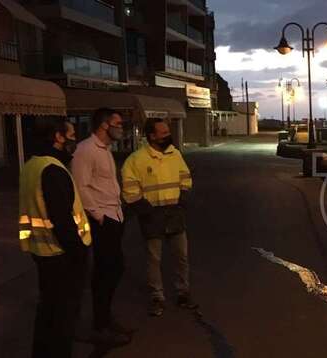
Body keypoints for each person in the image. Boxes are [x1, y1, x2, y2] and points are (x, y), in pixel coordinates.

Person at [19, 118, 91, 358]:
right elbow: (62, 219)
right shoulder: (53, 169)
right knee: (62, 319)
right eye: (71, 135)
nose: (74, 140)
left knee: (47, 313)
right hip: (60, 254)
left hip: (41, 252)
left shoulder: (31, 165)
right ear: (58, 137)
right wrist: (79, 252)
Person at [121, 118, 196, 316]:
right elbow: (129, 188)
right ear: (151, 136)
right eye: (163, 133)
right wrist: (143, 208)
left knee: (181, 256)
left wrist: (183, 195)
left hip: (174, 213)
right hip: (151, 215)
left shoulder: (175, 154)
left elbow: (185, 176)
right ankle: (157, 297)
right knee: (154, 259)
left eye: (167, 132)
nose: (168, 135)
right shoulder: (136, 160)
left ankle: (183, 293)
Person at [70, 108, 132, 345]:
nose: (121, 128)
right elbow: (81, 186)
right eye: (118, 123)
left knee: (114, 269)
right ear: (105, 125)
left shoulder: (105, 150)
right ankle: (100, 324)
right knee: (106, 271)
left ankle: (104, 318)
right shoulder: (86, 150)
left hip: (114, 216)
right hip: (102, 219)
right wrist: (98, 216)